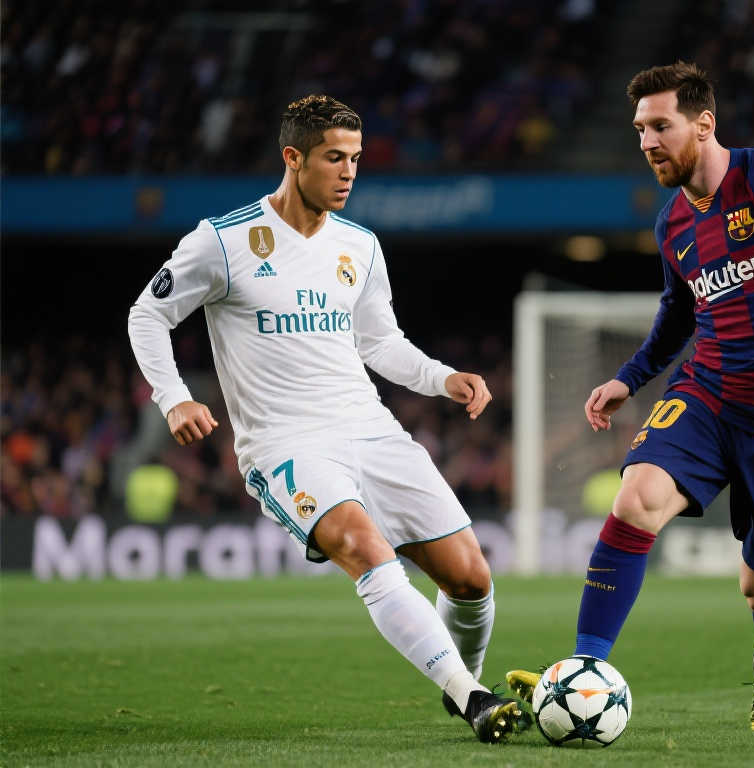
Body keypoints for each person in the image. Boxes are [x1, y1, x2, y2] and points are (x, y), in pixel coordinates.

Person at [127, 94, 531, 743]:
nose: (349, 173)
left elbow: (380, 342)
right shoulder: (223, 241)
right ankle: (473, 696)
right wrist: (173, 396)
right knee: (367, 551)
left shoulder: (359, 246)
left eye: (356, 159)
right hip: (286, 444)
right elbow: (148, 313)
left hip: (371, 429)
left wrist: (441, 378)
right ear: (294, 158)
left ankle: (464, 682)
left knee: (471, 579)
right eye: (335, 158)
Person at [507, 61, 754, 731]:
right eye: (640, 129)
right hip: (709, 393)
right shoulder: (673, 223)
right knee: (636, 498)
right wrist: (629, 376)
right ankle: (584, 667)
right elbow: (678, 314)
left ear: (704, 125)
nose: (647, 142)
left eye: (660, 126)